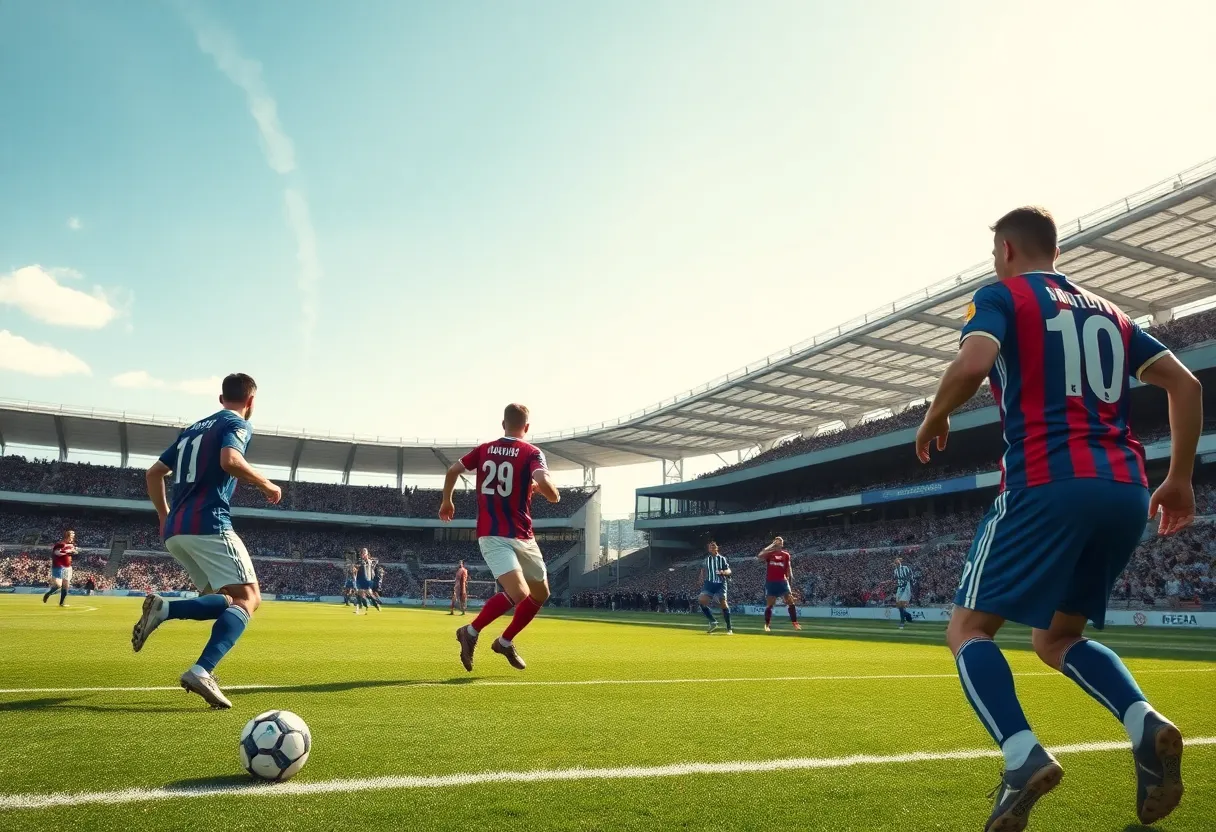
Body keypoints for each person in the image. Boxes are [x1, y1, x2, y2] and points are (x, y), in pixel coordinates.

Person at [915, 207, 1199, 830]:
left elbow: (971, 363)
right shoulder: (1115, 315)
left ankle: (1021, 755)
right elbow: (1185, 386)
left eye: (996, 253)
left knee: (968, 630)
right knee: (1056, 638)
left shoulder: (1002, 295)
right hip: (1125, 489)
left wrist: (935, 413)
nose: (995, 263)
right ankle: (1142, 721)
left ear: (1009, 250)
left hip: (1046, 481)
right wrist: (1177, 478)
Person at [130, 373, 282, 709]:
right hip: (209, 523)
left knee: (223, 599)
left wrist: (163, 515)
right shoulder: (236, 423)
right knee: (249, 599)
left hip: (177, 531)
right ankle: (202, 670)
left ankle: (165, 608)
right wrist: (266, 484)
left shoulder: (191, 431)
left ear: (220, 397)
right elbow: (230, 460)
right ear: (251, 401)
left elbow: (153, 473)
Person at [441, 403, 560, 671]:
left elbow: (452, 471)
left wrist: (446, 502)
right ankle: (472, 633)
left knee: (539, 593)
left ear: (503, 424)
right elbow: (543, 480)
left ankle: (502, 641)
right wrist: (552, 492)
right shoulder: (531, 452)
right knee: (521, 594)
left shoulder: (484, 450)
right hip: (506, 534)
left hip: (501, 533)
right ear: (526, 427)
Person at [758, 536, 800, 632]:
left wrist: (790, 580)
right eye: (777, 541)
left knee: (791, 602)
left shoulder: (786, 555)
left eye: (781, 541)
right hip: (771, 582)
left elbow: (788, 568)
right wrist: (771, 545)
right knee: (770, 604)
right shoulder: (770, 554)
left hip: (782, 581)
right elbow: (760, 555)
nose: (779, 542)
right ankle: (767, 624)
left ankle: (795, 623)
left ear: (782, 544)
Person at [696, 540, 732, 634]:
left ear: (717, 548)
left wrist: (723, 572)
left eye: (713, 546)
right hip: (709, 583)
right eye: (710, 547)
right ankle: (713, 621)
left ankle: (729, 628)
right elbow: (703, 569)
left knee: (723, 603)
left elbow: (729, 571)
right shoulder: (706, 559)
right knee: (701, 600)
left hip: (720, 583)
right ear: (708, 549)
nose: (712, 548)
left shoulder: (722, 559)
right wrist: (700, 577)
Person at [43, 529, 77, 607]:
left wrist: (74, 552)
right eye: (72, 536)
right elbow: (56, 553)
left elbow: (73, 551)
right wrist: (68, 552)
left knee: (66, 585)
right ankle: (48, 594)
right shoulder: (60, 544)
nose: (73, 538)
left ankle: (61, 603)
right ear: (67, 536)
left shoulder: (71, 545)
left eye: (73, 536)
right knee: (58, 585)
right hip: (59, 566)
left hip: (68, 567)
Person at [890, 556, 915, 630]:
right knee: (899, 606)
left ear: (899, 562)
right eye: (895, 562)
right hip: (899, 588)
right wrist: (889, 582)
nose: (895, 563)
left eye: (896, 562)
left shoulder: (906, 568)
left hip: (906, 587)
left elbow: (911, 576)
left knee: (901, 605)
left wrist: (909, 583)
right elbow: (894, 579)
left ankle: (902, 622)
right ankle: (908, 616)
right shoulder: (895, 571)